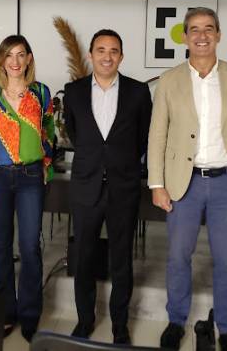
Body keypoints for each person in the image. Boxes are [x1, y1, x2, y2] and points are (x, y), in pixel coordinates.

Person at [147, 7, 227, 351]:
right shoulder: (169, 80)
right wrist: (157, 184)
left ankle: (226, 328)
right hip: (184, 183)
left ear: (218, 35)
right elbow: (157, 135)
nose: (201, 35)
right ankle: (175, 321)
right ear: (185, 36)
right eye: (194, 29)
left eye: (208, 29)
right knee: (178, 257)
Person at [63, 29, 152, 344]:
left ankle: (119, 324)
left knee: (121, 258)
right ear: (91, 55)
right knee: (83, 257)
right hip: (86, 186)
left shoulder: (138, 92)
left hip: (122, 187)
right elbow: (75, 133)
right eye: (101, 50)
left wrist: (117, 160)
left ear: (121, 56)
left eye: (114, 51)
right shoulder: (73, 92)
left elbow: (142, 137)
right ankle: (85, 320)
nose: (107, 56)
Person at [0, 35, 54, 342]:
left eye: (21, 54)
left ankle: (30, 314)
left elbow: (48, 131)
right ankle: (6, 312)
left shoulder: (41, 93)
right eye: (9, 55)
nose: (15, 61)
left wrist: (45, 164)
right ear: (2, 60)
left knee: (30, 246)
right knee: (2, 246)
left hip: (31, 177)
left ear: (29, 58)